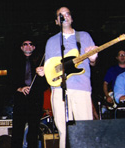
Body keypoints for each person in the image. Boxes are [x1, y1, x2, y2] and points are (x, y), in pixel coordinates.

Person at [37, 7, 98, 148]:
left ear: (71, 18)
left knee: (84, 129)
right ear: (57, 22)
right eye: (60, 15)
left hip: (81, 88)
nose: (64, 16)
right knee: (63, 131)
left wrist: (93, 58)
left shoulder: (84, 36)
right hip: (59, 90)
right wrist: (44, 71)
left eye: (67, 14)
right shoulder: (51, 41)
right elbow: (51, 67)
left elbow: (93, 63)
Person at [11, 40, 47, 148]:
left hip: (35, 100)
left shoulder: (40, 61)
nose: (28, 46)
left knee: (33, 130)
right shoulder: (15, 62)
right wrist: (20, 88)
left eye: (30, 44)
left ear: (34, 47)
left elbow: (46, 83)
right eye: (25, 44)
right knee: (18, 129)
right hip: (20, 99)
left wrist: (41, 78)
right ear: (21, 47)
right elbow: (9, 80)